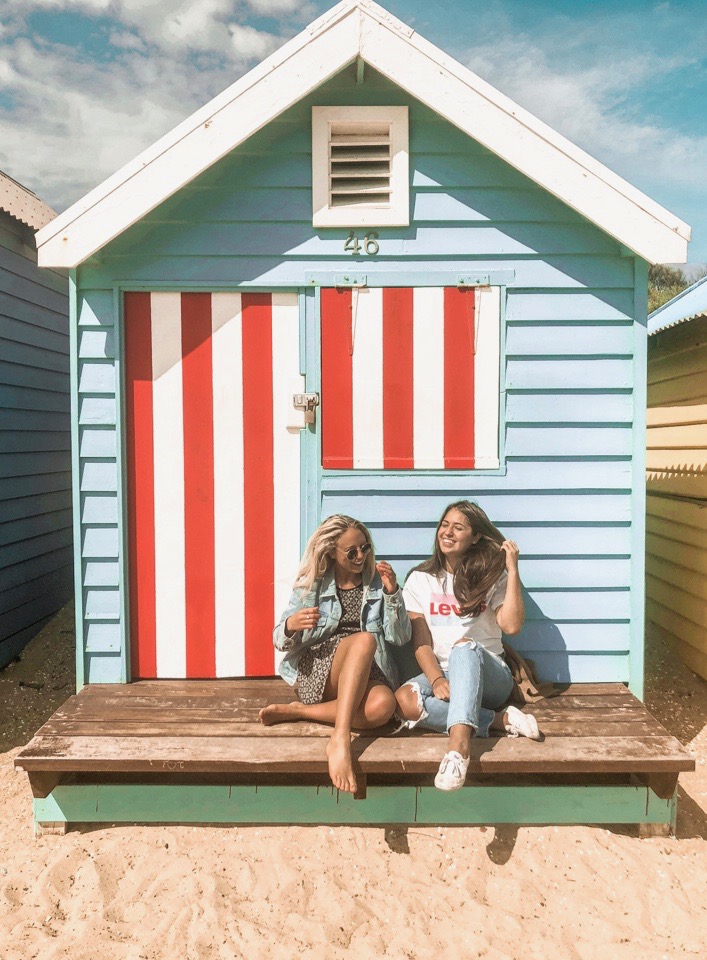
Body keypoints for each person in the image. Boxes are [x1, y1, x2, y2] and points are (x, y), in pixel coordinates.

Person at [394, 500, 540, 792]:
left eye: (458, 527)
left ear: (475, 538)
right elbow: (421, 643)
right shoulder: (420, 580)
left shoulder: (490, 577)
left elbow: (511, 626)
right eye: (444, 525)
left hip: (491, 676)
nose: (447, 532)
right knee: (404, 701)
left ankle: (458, 751)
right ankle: (500, 720)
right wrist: (435, 678)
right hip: (445, 673)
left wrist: (512, 571)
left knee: (464, 646)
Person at [260, 514, 411, 794]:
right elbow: (278, 639)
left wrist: (392, 595)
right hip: (320, 668)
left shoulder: (377, 583)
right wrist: (292, 626)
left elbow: (400, 637)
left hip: (365, 667)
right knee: (364, 640)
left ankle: (301, 713)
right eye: (351, 551)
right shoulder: (312, 583)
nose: (360, 556)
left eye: (364, 548)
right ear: (331, 552)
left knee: (384, 706)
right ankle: (340, 738)